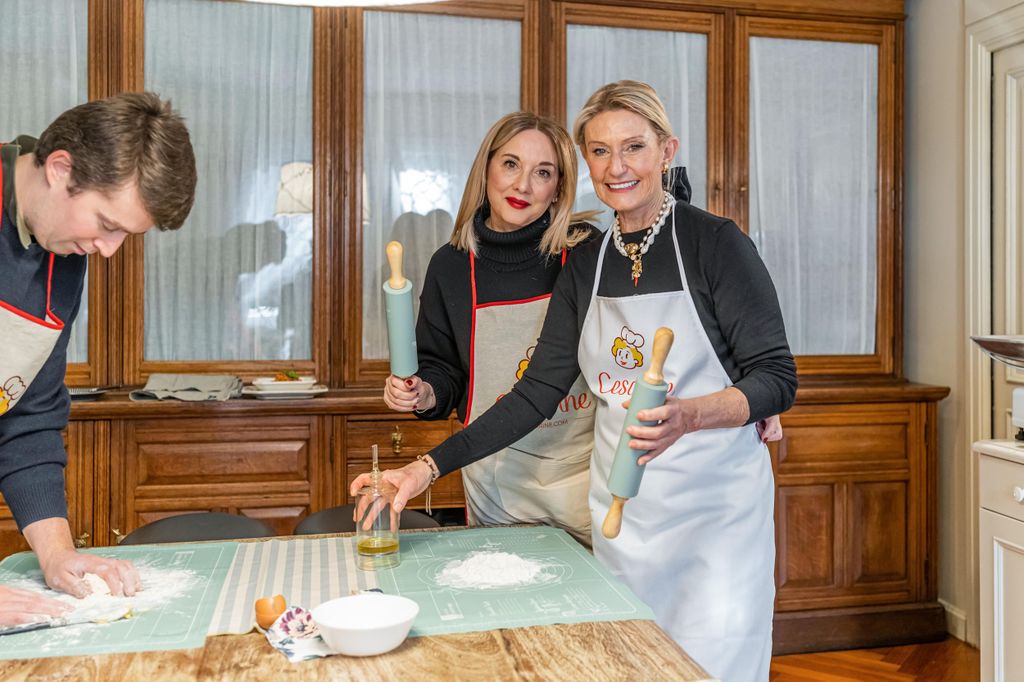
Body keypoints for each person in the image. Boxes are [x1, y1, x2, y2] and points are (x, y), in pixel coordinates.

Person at [354, 81, 796, 682]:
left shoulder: (714, 243)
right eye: (600, 151)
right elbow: (535, 392)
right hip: (622, 516)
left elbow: (776, 377)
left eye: (634, 147)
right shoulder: (589, 261)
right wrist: (422, 469)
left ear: (667, 151)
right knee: (622, 666)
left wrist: (696, 414)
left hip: (714, 517)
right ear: (585, 162)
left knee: (710, 668)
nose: (618, 167)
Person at [0, 92, 197, 626]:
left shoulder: (61, 253)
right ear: (60, 168)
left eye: (125, 236)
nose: (109, 250)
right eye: (107, 224)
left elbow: (26, 417)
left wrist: (57, 553)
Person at [379, 112, 600, 542]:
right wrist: (423, 391)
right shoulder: (452, 266)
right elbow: (443, 370)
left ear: (558, 189)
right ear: (487, 168)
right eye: (511, 164)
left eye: (543, 173)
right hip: (498, 484)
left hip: (584, 482)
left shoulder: (584, 251)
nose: (523, 186)